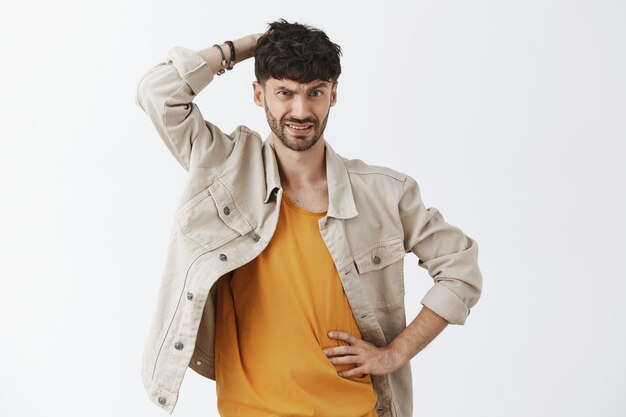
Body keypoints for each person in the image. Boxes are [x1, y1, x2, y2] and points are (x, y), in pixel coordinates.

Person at [134, 19, 482, 417]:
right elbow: (156, 92)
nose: (300, 111)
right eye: (284, 92)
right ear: (258, 94)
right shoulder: (223, 169)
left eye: (314, 93)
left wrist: (393, 355)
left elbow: (461, 268)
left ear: (333, 95)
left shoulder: (386, 193)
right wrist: (245, 47)